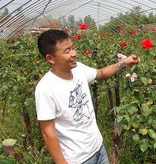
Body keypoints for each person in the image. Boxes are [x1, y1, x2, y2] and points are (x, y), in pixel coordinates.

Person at [35, 30, 139, 164]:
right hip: (77, 159)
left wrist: (123, 64)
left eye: (72, 47)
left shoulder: (78, 69)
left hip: (98, 148)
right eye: (67, 51)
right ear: (50, 58)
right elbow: (47, 133)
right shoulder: (46, 88)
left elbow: (100, 73)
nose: (74, 53)